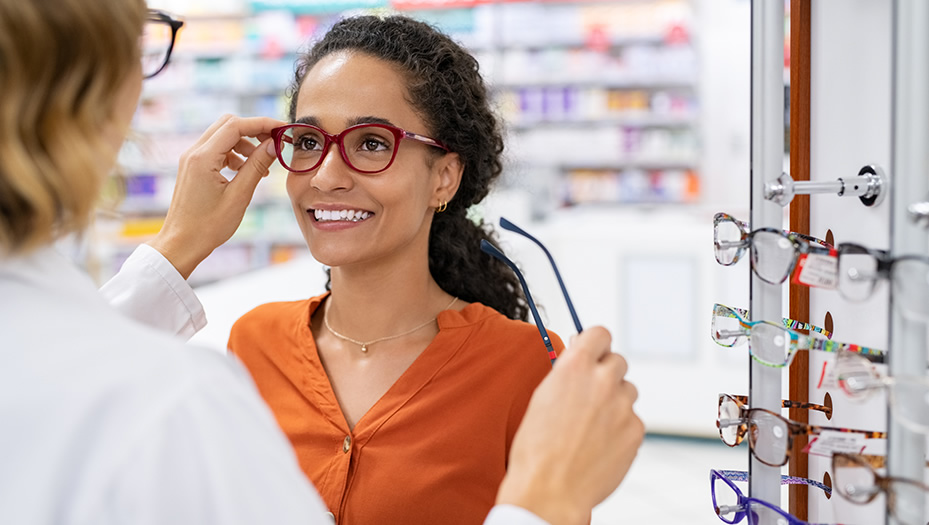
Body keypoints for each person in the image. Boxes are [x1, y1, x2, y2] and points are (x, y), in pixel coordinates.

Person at [0, 1, 644, 524]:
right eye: (306, 142)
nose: (327, 174)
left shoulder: (529, 364)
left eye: (372, 143)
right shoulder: (254, 343)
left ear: (445, 175)